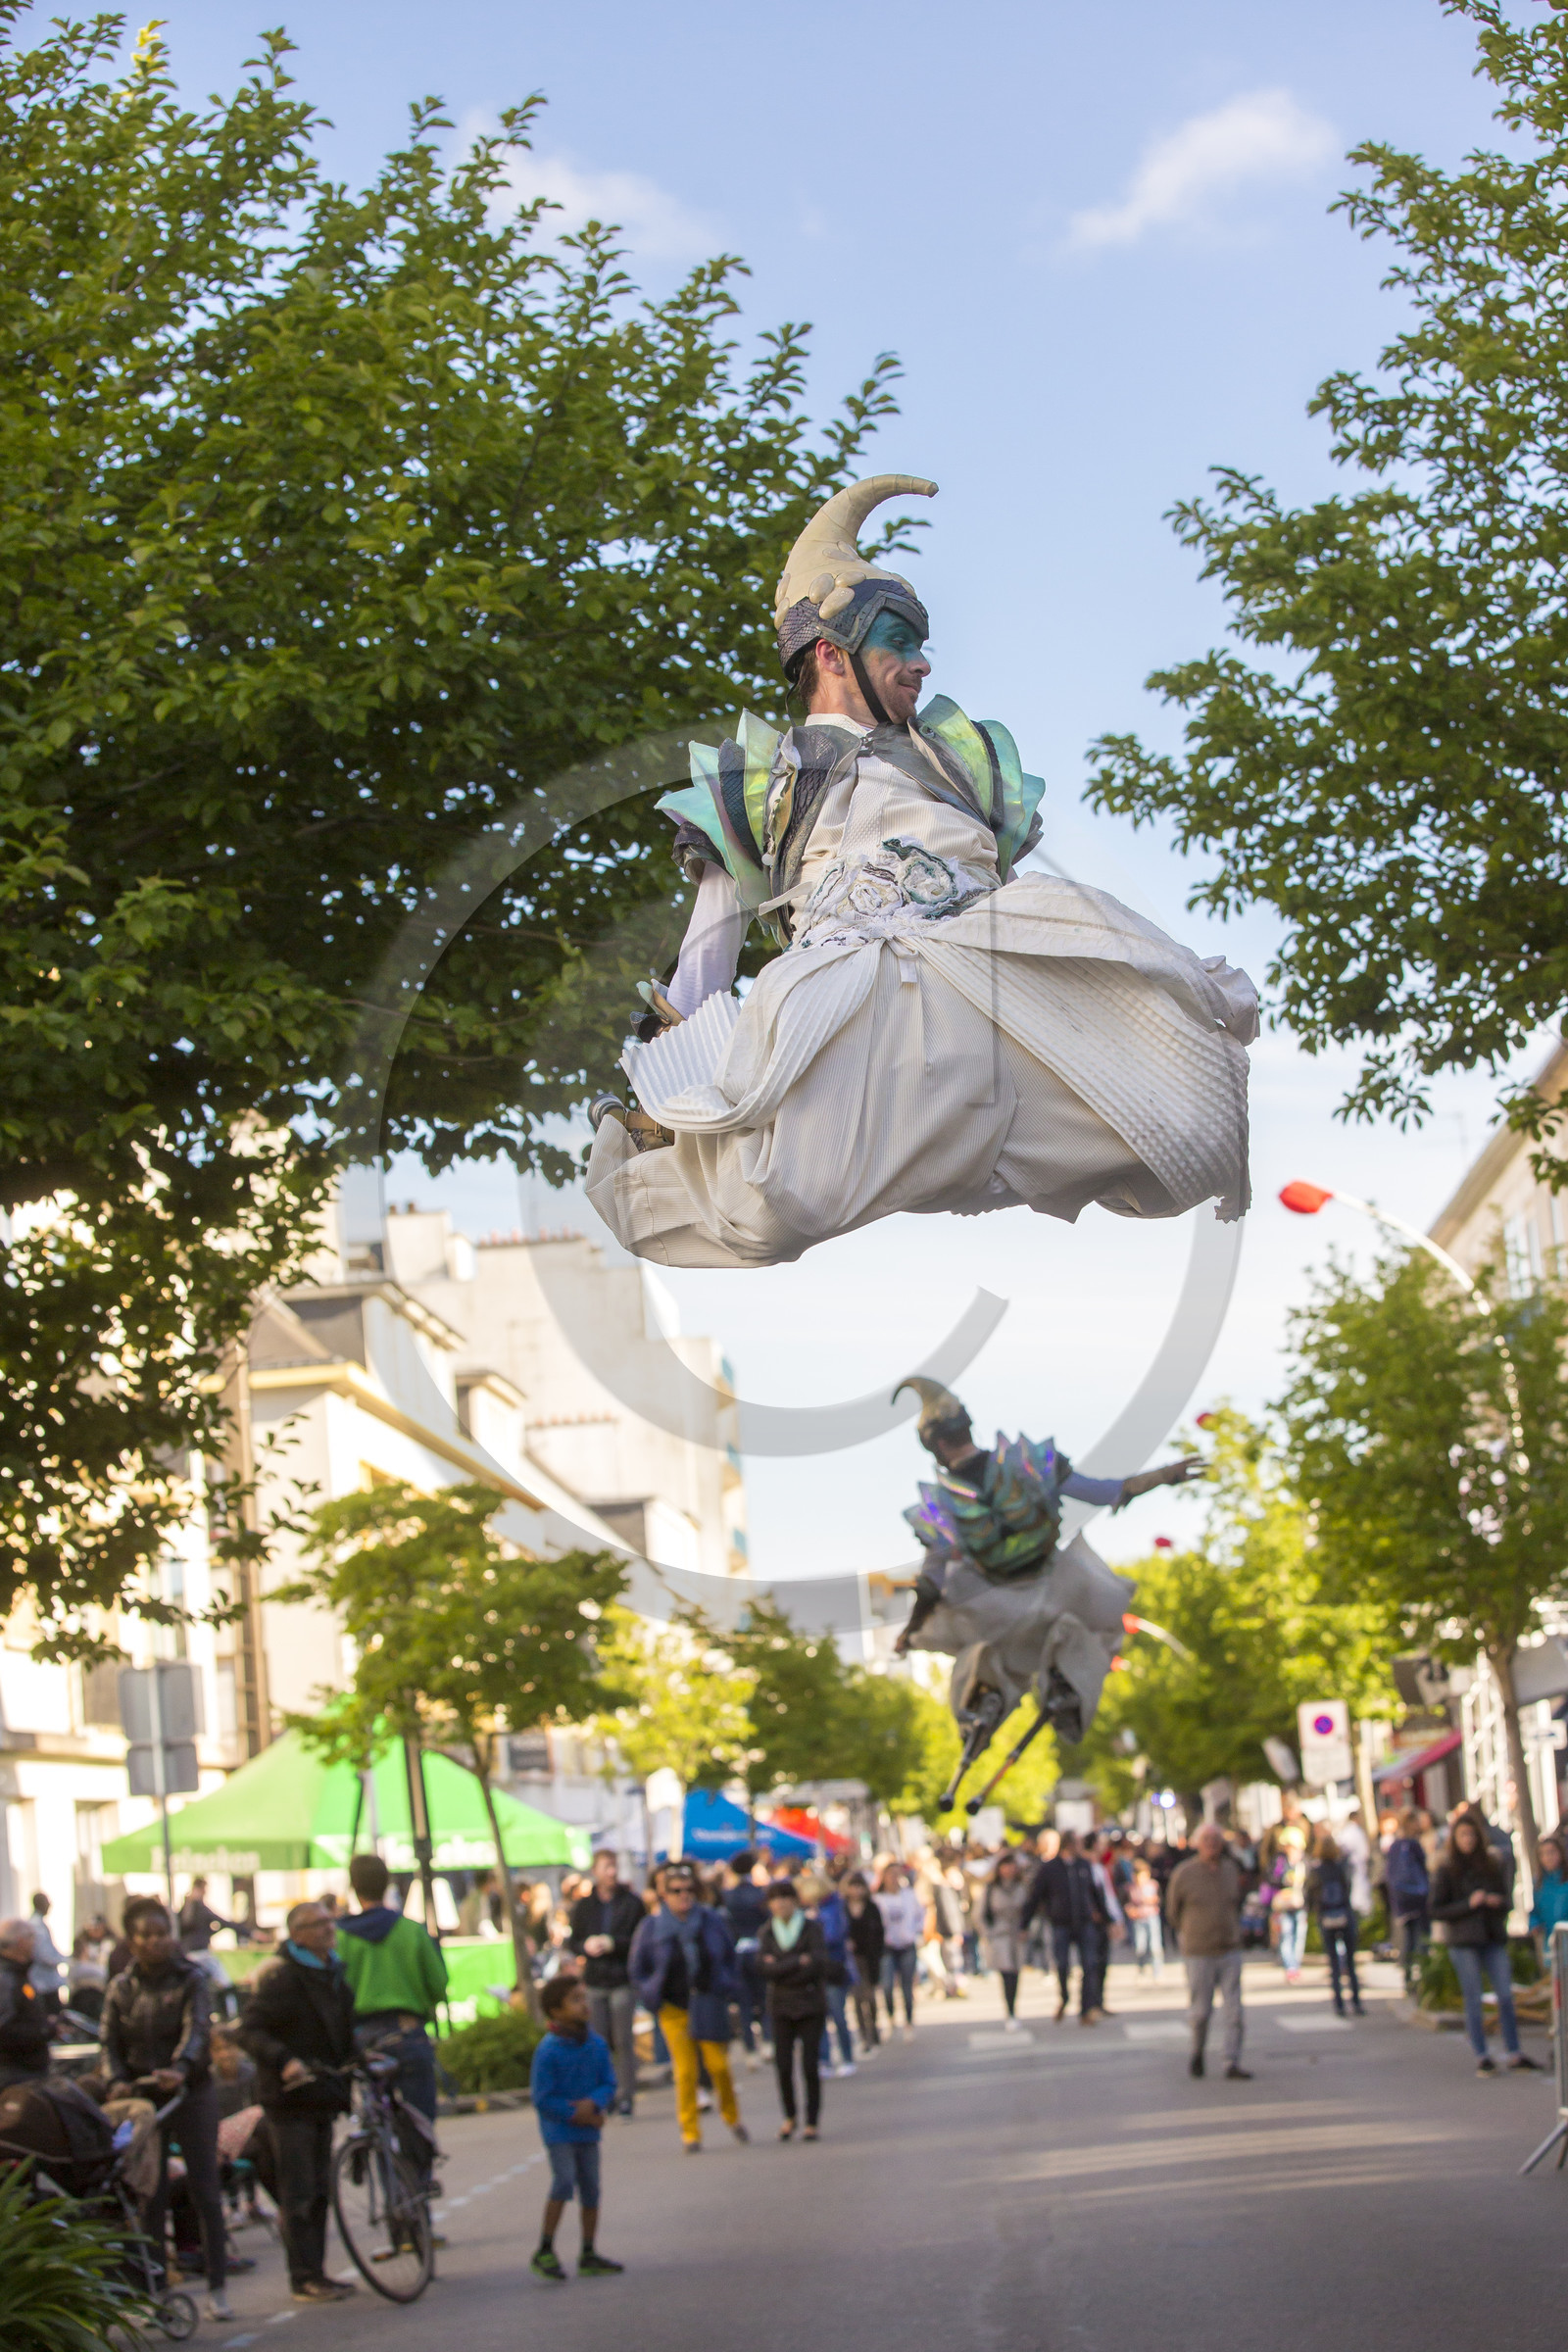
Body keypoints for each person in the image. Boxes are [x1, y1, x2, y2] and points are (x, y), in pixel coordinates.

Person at [586, 474, 1257, 1273]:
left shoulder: (962, 763)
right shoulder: (764, 779)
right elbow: (711, 940)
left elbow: (1009, 895)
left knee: (1191, 1124)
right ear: (831, 654)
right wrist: (666, 1082)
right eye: (899, 643)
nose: (921, 663)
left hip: (983, 973)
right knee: (767, 1204)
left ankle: (992, 1134)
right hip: (854, 998)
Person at [101, 1895, 231, 2322]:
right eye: (146, 1935)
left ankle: (217, 2285)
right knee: (149, 2195)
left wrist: (181, 2068)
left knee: (204, 2188)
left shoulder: (192, 1978)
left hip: (190, 2093)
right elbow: (108, 2042)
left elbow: (198, 2029)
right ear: (131, 1941)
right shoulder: (121, 1988)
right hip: (144, 2101)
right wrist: (116, 2079)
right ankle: (156, 2290)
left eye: (162, 1933)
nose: (156, 1942)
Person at [237, 1899, 358, 2304]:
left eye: (329, 1920)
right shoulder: (282, 1977)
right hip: (289, 2102)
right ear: (297, 1935)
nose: (328, 1928)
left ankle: (316, 2273)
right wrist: (285, 2060)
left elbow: (341, 2031)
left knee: (320, 2189)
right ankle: (303, 2276)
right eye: (317, 1923)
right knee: (300, 2191)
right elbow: (249, 2031)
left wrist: (359, 2058)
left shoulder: (332, 1972)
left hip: (322, 2095)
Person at [335, 1853, 448, 2181]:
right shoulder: (411, 1931)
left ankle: (392, 2199)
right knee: (419, 2121)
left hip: (364, 2039)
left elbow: (335, 1991)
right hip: (407, 2032)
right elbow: (438, 1985)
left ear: (354, 1887)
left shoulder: (340, 1937)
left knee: (378, 2124)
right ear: (387, 1884)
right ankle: (418, 2194)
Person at [627, 1860, 745, 2152]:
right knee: (685, 2072)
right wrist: (649, 1993)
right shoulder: (652, 1927)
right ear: (664, 1895)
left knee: (718, 2066)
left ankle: (732, 2117)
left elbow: (729, 1956)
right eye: (676, 1891)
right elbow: (637, 1968)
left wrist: (727, 1986)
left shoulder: (710, 1920)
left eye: (689, 1890)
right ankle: (690, 2132)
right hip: (672, 2007)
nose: (684, 1896)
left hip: (707, 2000)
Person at [528, 1975, 623, 2280]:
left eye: (584, 1998)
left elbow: (608, 2082)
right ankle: (545, 2248)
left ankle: (588, 2251)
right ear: (555, 2011)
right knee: (564, 2181)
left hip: (587, 2130)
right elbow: (542, 2098)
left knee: (591, 2188)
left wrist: (595, 2103)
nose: (584, 2005)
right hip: (560, 2132)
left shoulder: (596, 2045)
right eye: (575, 2000)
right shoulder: (548, 2050)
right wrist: (576, 2113)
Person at [1430, 1814, 1538, 2077]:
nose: (1468, 1840)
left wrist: (1494, 1902)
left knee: (1505, 1995)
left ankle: (1514, 2051)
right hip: (1463, 1940)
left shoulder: (1491, 1864)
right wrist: (1469, 1904)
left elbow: (1507, 1900)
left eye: (1471, 1835)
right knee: (1473, 1997)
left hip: (1491, 1936)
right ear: (1455, 1839)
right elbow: (1436, 1909)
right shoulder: (1447, 1869)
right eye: (1463, 1835)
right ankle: (1482, 2055)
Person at [1168, 1824, 1250, 2082]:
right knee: (1201, 2011)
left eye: (1216, 1839)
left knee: (1234, 2011)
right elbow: (1172, 1912)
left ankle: (1231, 2060)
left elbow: (1237, 1902)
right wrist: (1188, 1933)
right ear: (1197, 1844)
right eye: (1206, 1840)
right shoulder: (1185, 1873)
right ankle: (1197, 2050)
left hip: (1229, 1948)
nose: (1212, 1844)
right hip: (1199, 1951)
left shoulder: (1230, 1869)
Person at [566, 1850, 645, 2116]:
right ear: (595, 1871)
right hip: (595, 1980)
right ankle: (605, 2093)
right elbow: (573, 1941)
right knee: (599, 2042)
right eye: (606, 1867)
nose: (611, 1872)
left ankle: (626, 2095)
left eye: (614, 1866)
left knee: (623, 2039)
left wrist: (613, 1944)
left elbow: (640, 1939)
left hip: (622, 1978)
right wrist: (585, 1947)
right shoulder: (585, 1905)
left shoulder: (631, 1902)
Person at [759, 1880, 828, 2141]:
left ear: (795, 1901)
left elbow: (817, 1963)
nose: (780, 1904)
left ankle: (811, 2121)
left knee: (810, 2065)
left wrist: (780, 1966)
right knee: (783, 2066)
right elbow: (763, 1968)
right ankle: (789, 2116)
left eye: (785, 1898)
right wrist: (797, 1962)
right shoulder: (767, 1932)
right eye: (775, 1899)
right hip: (780, 2006)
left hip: (810, 2003)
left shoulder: (811, 1928)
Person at [1023, 1830, 1112, 2025]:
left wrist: (1108, 1919)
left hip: (1084, 1923)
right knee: (1062, 1965)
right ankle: (1064, 1997)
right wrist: (1025, 1923)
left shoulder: (1084, 1865)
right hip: (1060, 1924)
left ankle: (1085, 2009)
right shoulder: (1050, 1868)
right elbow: (1035, 1896)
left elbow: (1095, 1894)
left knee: (1089, 1964)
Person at [802, 1871, 856, 2078]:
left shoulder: (832, 1908)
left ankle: (847, 2057)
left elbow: (832, 1937)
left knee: (838, 2015)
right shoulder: (815, 1909)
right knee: (820, 2018)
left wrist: (814, 1923)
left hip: (833, 1967)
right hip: (817, 1970)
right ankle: (824, 2060)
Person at [720, 1851, 771, 2067]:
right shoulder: (760, 1894)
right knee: (764, 1999)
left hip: (738, 1953)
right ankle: (767, 2041)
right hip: (758, 1951)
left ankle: (750, 2050)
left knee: (745, 2004)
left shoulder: (727, 1896)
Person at [1307, 1832, 1364, 2019]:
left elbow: (1310, 1895)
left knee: (1334, 1964)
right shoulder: (1341, 1868)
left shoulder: (1316, 1870)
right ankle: (1356, 2002)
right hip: (1344, 1914)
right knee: (1350, 1962)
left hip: (1326, 1917)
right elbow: (1348, 1888)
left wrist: (1315, 1912)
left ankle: (1339, 2004)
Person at [981, 1850, 1031, 2029]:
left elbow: (1029, 1910)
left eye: (1012, 1865)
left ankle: (1013, 2009)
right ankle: (1010, 2011)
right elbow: (981, 1914)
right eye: (1006, 1865)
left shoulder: (1022, 1887)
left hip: (1017, 1934)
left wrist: (1026, 1928)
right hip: (999, 1935)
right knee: (1006, 1973)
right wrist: (988, 1934)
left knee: (1015, 1973)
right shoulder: (991, 1888)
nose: (1009, 1869)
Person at [0, 1918, 52, 2087]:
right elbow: (4, 2029)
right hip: (16, 2076)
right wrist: (44, 2030)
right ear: (21, 1942)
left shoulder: (19, 1975)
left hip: (27, 2072)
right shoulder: (6, 1980)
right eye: (32, 1937)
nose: (35, 1943)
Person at [1384, 1806, 1432, 1989]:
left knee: (1409, 1938)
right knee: (1422, 1938)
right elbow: (1424, 1869)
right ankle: (1423, 1978)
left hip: (1402, 1899)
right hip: (1419, 1897)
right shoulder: (1413, 1845)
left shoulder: (1394, 1846)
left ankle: (1408, 1976)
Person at [874, 1864, 923, 2037]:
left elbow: (920, 1915)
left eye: (897, 1874)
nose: (894, 1878)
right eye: (891, 1874)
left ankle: (908, 2022)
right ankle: (891, 2018)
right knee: (887, 1986)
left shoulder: (909, 1895)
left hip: (907, 1945)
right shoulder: (878, 1899)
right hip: (887, 1947)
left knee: (907, 1986)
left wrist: (915, 1933)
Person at [843, 1874, 885, 2054]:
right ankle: (863, 2035)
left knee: (871, 1996)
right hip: (852, 1960)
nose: (857, 1891)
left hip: (870, 1958)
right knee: (858, 1998)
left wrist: (878, 1953)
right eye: (854, 1886)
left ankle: (873, 2028)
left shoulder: (871, 1907)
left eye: (860, 1886)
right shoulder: (843, 1908)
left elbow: (880, 1932)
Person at [1269, 1824, 1308, 1983]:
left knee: (1299, 1936)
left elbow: (1311, 1883)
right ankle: (1290, 1967)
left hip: (1300, 1904)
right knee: (1286, 1935)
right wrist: (1284, 1879)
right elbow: (1271, 1878)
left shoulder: (1304, 1861)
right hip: (1284, 1904)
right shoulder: (1279, 1861)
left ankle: (1295, 1965)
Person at [1125, 1857, 1165, 1981]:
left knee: (1155, 1946)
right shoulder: (1130, 1888)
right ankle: (1141, 1969)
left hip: (1151, 1917)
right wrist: (1130, 1910)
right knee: (1140, 1946)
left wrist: (1151, 1901)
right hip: (1138, 1919)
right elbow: (1126, 1903)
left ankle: (1157, 1971)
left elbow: (1160, 1900)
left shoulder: (1153, 1885)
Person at [1530, 1832, 1568, 1962]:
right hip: (1552, 1944)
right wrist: (1534, 1923)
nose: (1548, 1857)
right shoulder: (1538, 1883)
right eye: (1543, 1854)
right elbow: (1535, 1911)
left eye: (1551, 1852)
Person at [456, 1869, 499, 1938]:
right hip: (473, 1940)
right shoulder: (480, 1898)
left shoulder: (473, 1897)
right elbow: (484, 1924)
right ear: (487, 1883)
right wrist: (496, 1938)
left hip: (469, 1938)